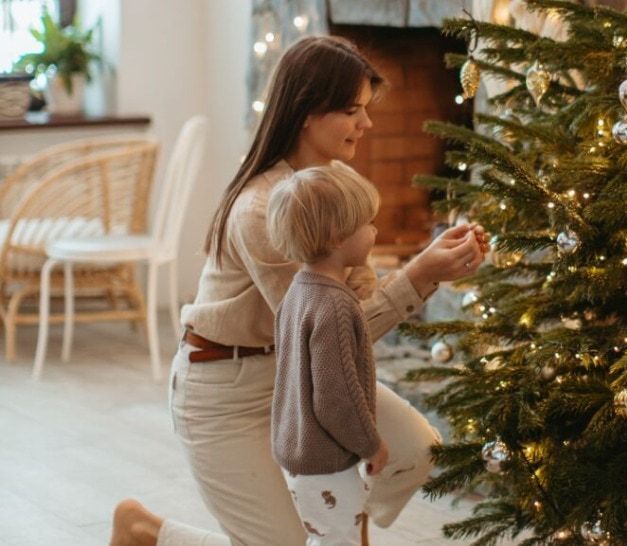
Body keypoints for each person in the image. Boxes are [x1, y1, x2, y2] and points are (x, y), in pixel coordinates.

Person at [110, 35, 488, 546]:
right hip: (227, 388)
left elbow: (354, 308)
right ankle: (144, 532)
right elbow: (325, 329)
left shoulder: (333, 186)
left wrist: (425, 269)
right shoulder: (263, 209)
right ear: (310, 110)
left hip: (297, 373)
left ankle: (328, 534)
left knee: (416, 450)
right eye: (353, 110)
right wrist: (422, 274)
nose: (367, 124)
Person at [268, 165, 388, 545]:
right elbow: (336, 397)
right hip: (326, 460)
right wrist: (371, 444)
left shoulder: (298, 291)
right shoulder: (334, 305)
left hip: (298, 452)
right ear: (337, 236)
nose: (375, 230)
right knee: (339, 540)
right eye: (368, 223)